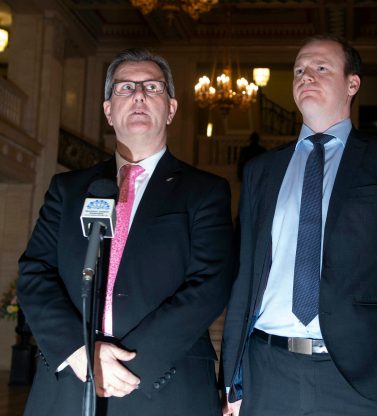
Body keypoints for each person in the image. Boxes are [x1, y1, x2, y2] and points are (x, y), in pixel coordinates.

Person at [221, 35, 377, 416]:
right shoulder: (261, 172)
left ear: (352, 84)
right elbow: (244, 281)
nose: (307, 75)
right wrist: (232, 379)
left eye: (321, 68)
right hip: (267, 373)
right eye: (299, 70)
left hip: (360, 380)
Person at [18, 48, 234, 416]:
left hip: (164, 385)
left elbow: (210, 284)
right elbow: (34, 272)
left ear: (171, 108)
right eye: (125, 88)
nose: (138, 95)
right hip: (70, 382)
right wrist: (79, 351)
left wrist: (129, 366)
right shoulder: (68, 189)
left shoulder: (205, 191)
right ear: (107, 110)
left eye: (152, 87)